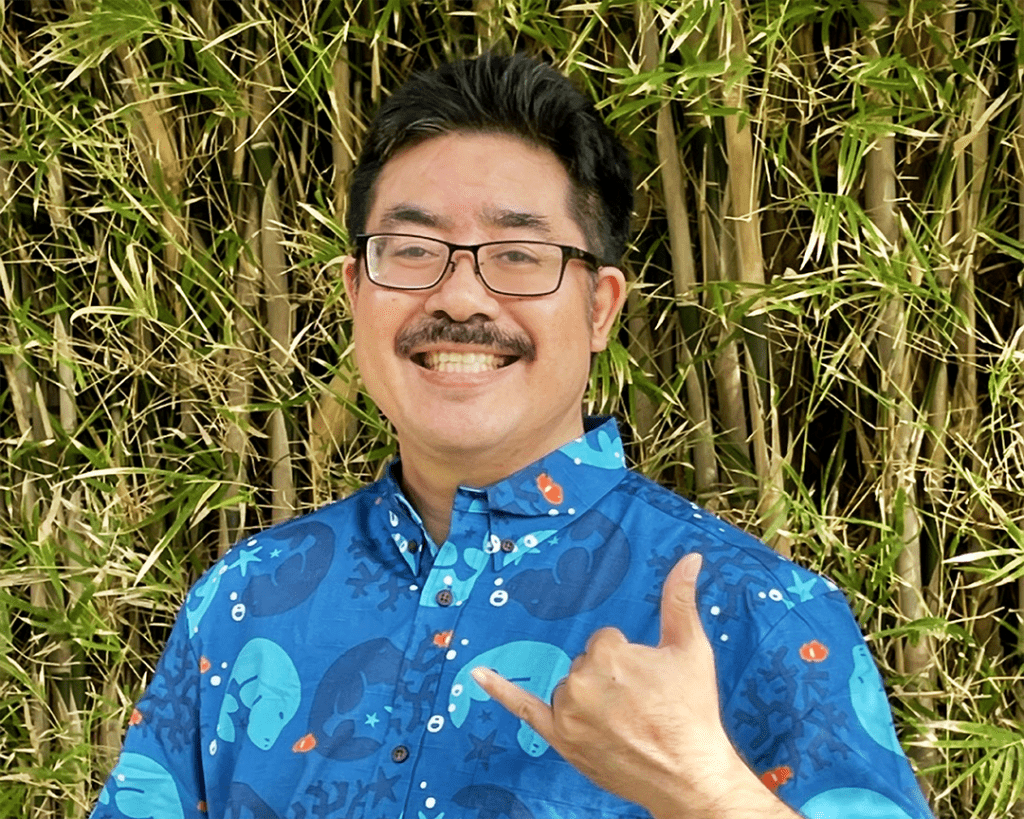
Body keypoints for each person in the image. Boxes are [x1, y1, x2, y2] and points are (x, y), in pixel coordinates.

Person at [90, 53, 934, 819]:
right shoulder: (241, 600)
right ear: (355, 291)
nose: (460, 298)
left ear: (600, 306)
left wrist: (704, 788)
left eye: (519, 254)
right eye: (414, 249)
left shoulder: (755, 611)